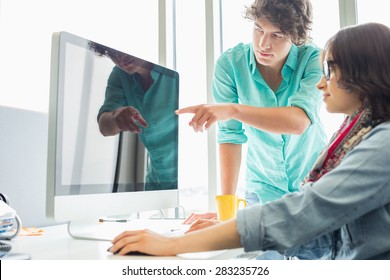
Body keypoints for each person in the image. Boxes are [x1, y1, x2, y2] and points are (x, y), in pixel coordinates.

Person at [108, 22, 390, 259]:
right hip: (269, 199)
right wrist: (228, 221)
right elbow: (323, 231)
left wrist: (171, 244)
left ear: (361, 73)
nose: (320, 83)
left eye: (329, 71)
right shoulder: (363, 134)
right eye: (258, 30)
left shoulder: (381, 146)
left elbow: (307, 212)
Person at [177, 0, 327, 227]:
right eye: (258, 30)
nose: (263, 44)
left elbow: (298, 122)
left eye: (277, 35)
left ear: (296, 36)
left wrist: (233, 110)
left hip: (314, 185)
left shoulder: (314, 59)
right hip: (262, 189)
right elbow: (230, 137)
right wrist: (226, 213)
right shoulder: (230, 65)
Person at [90, 42, 180, 191]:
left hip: (189, 180)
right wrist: (116, 115)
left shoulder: (172, 67)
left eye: (124, 48)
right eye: (112, 52)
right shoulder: (119, 75)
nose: (120, 57)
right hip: (156, 182)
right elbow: (104, 127)